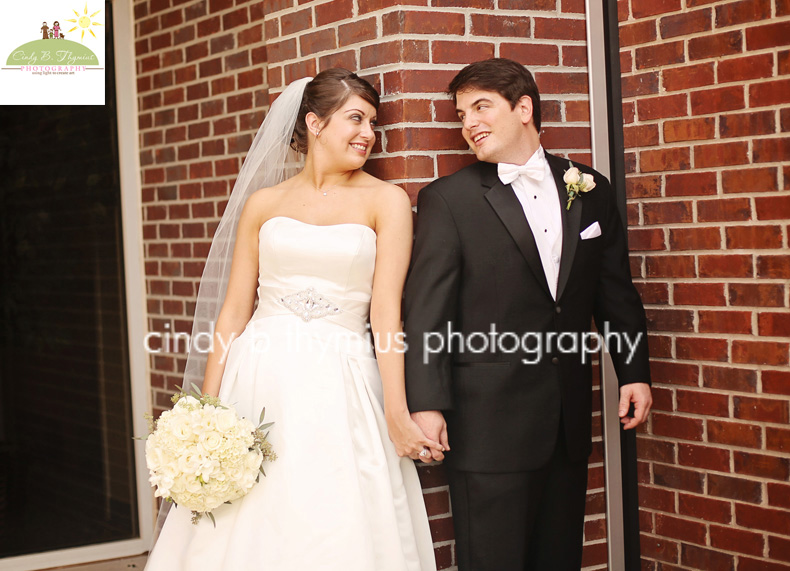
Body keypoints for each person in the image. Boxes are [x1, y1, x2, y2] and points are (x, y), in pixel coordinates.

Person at [145, 69, 437, 570]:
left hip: (342, 377)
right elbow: (234, 309)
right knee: (251, 511)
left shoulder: (385, 201)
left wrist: (396, 412)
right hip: (259, 373)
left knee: (334, 511)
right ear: (314, 123)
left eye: (373, 122)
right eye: (356, 118)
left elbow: (387, 312)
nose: (368, 133)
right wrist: (207, 410)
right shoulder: (264, 204)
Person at [403, 58, 652, 570]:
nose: (468, 123)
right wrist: (427, 404)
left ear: (524, 108)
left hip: (565, 424)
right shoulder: (448, 201)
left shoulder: (591, 188)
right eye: (460, 114)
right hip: (486, 426)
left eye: (480, 107)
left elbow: (613, 291)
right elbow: (427, 314)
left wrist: (633, 372)